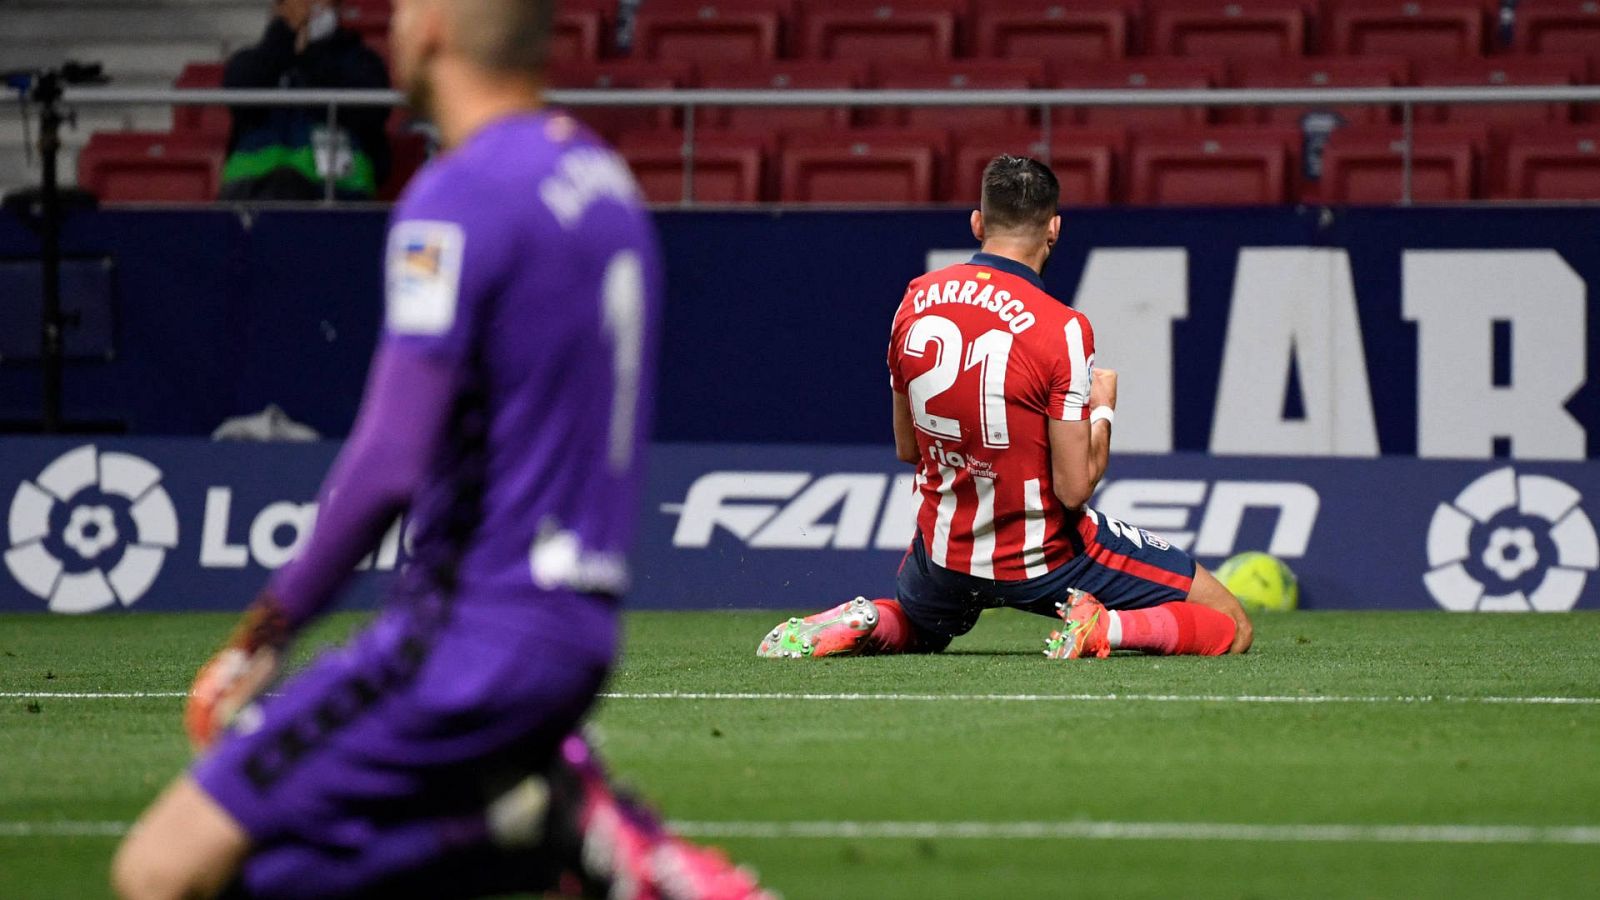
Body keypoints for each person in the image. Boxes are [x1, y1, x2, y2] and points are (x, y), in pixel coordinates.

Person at [112, 1, 769, 898]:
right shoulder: (605, 185)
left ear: (430, 35)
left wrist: (268, 630)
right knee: (263, 869)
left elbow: (391, 456)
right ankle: (530, 829)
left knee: (156, 871)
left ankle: (545, 829)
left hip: (465, 635)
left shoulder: (459, 193)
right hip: (577, 628)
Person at [758, 156, 1254, 662]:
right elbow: (1074, 487)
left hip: (943, 556)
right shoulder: (1062, 328)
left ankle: (864, 622)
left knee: (921, 627)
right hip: (1046, 561)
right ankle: (1105, 630)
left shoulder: (916, 299)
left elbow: (908, 447)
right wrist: (1102, 412)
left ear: (978, 221)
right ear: (1054, 229)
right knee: (1231, 626)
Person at [220, 0, 392, 200]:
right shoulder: (253, 61)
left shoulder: (361, 62)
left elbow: (369, 114)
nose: (307, 7)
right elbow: (242, 95)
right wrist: (284, 35)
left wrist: (313, 51)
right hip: (250, 196)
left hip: (337, 194)